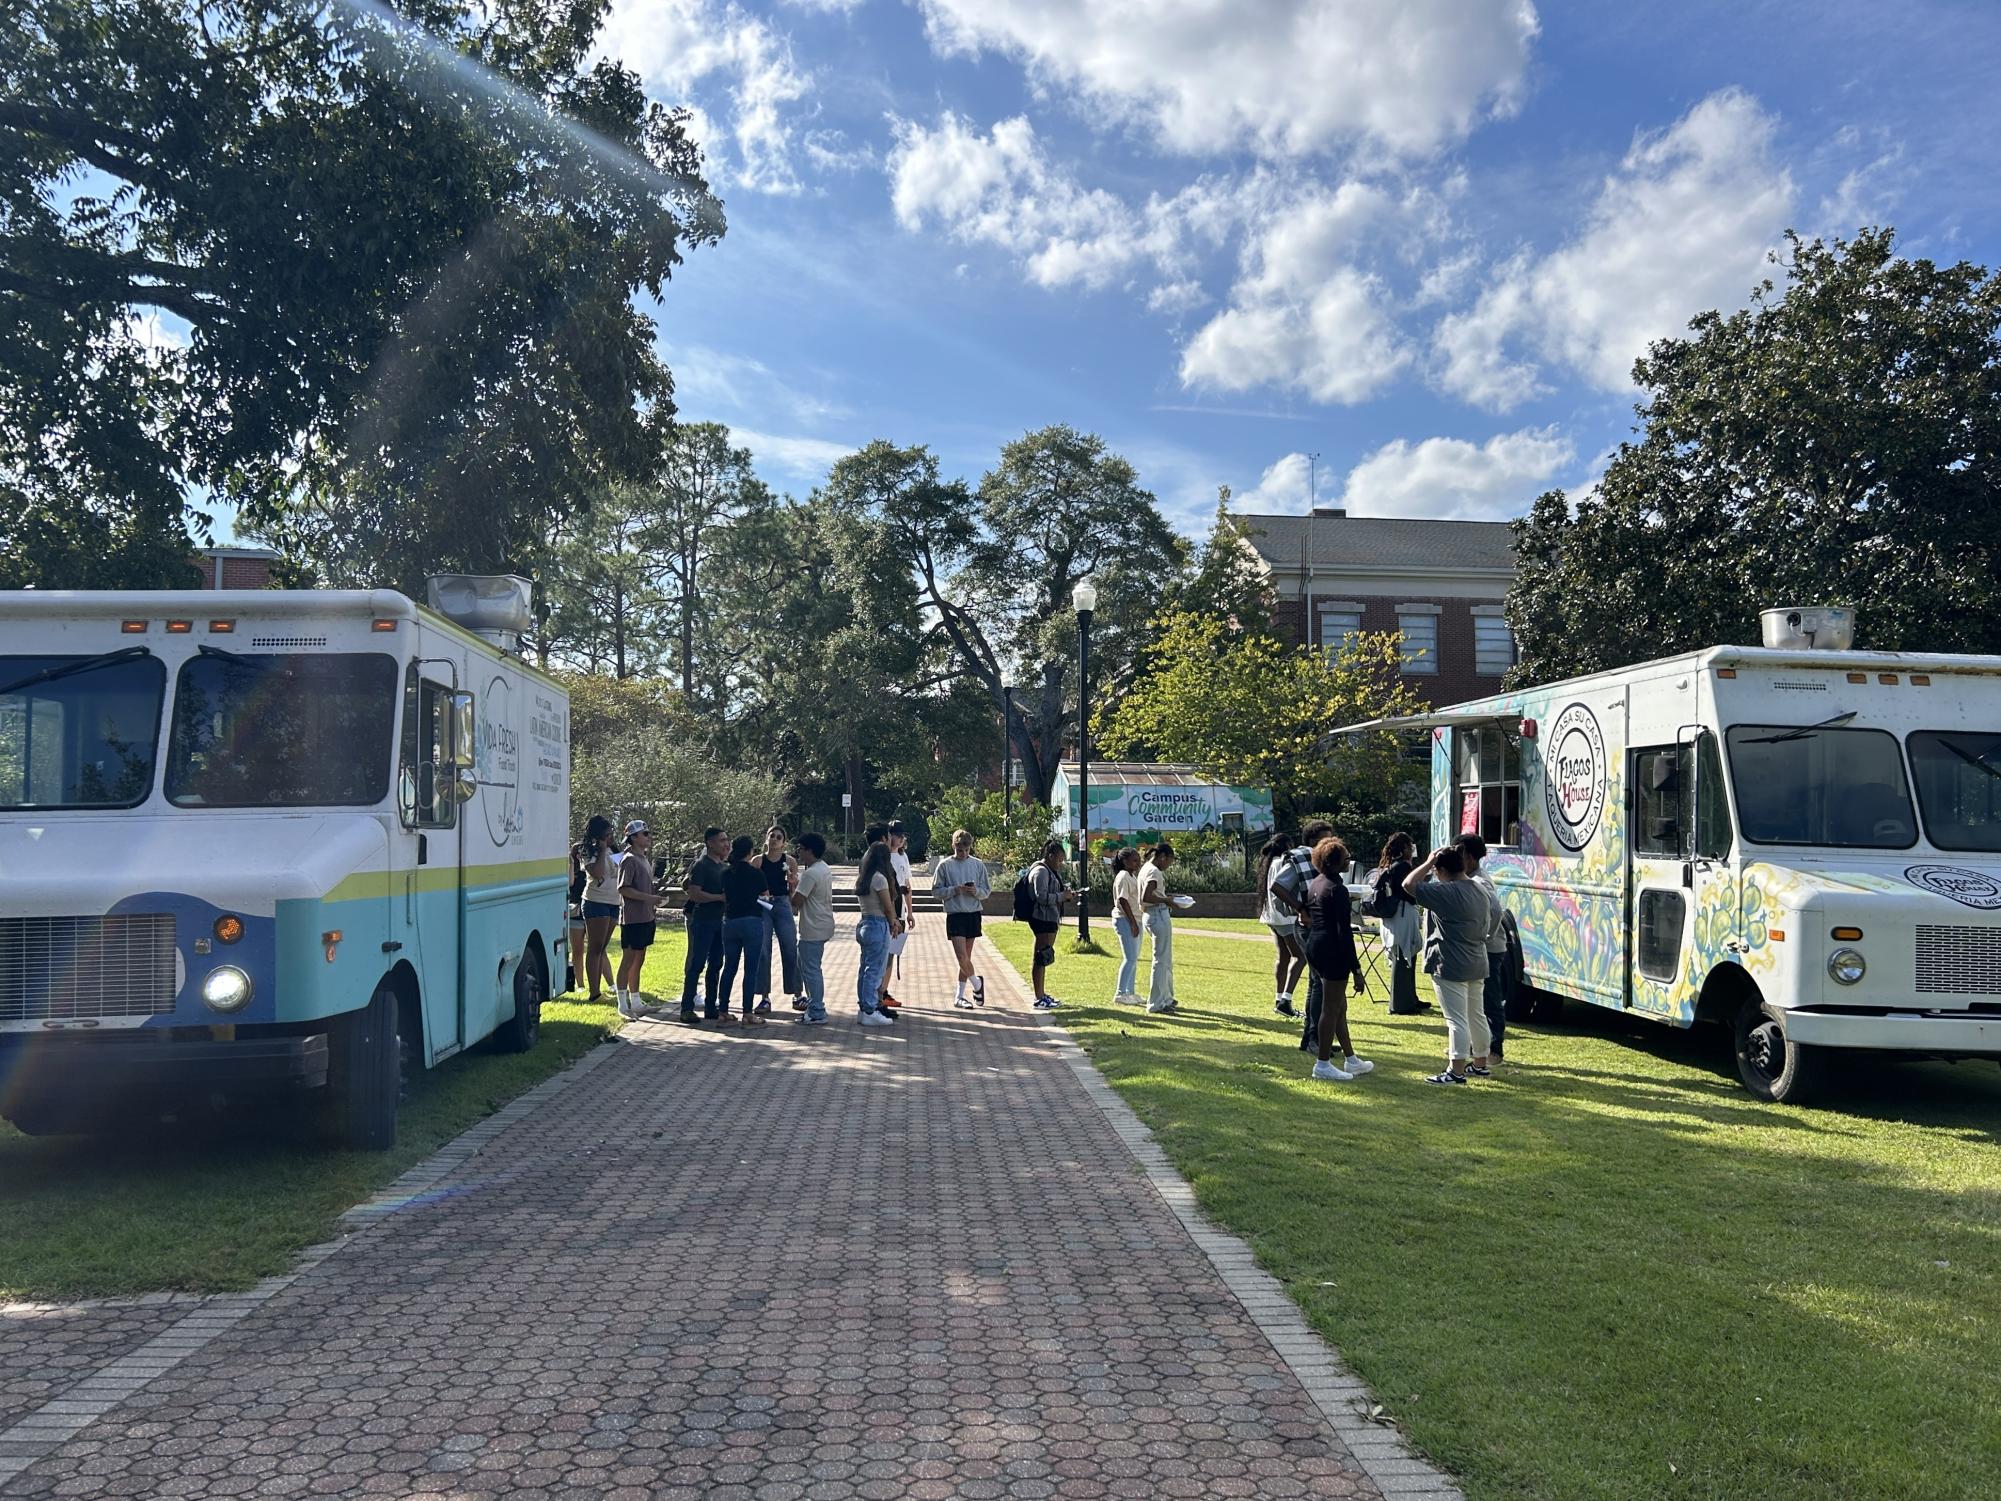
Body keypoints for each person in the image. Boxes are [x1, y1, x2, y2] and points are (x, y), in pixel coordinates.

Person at [1402, 846, 1494, 1084]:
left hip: (1451, 962)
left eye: (1435, 870)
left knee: (1456, 1020)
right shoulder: (1479, 887)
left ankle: (1456, 1070)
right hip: (1477, 959)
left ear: (1441, 870)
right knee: (1476, 1015)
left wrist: (1426, 861)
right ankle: (1481, 1063)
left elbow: (1408, 884)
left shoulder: (1447, 892)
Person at [1301, 836, 1372, 1082]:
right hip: (1332, 949)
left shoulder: (1316, 883)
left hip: (1315, 946)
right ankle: (1322, 1064)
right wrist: (1357, 969)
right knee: (1331, 1008)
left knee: (1339, 1005)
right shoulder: (1337, 890)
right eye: (1346, 857)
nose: (1349, 860)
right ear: (1334, 862)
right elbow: (1344, 932)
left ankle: (1351, 1059)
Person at [1455, 832, 1510, 1061]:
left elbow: (1497, 911)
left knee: (1489, 999)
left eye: (1458, 853)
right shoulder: (1467, 878)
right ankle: (1474, 1046)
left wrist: (1487, 935)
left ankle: (1494, 1049)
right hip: (1480, 948)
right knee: (1473, 1001)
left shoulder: (1479, 880)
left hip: (1490, 949)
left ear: (1468, 856)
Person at [1285, 820, 1334, 1050]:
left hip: (1318, 925)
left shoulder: (1322, 862)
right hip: (1308, 927)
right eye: (1327, 838)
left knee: (1317, 983)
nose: (1332, 842)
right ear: (1314, 841)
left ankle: (1312, 1037)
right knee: (1319, 983)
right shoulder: (1302, 858)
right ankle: (1314, 1037)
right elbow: (1277, 886)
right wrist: (1300, 908)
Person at [715, 834, 770, 1026]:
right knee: (750, 968)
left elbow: (724, 894)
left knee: (729, 967)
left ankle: (723, 1010)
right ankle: (747, 1012)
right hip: (752, 921)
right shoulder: (757, 873)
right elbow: (765, 896)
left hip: (730, 921)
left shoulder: (726, 873)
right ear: (750, 852)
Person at [934, 828, 991, 1009]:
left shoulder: (977, 865)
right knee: (960, 955)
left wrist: (976, 892)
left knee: (966, 957)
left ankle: (959, 995)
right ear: (953, 846)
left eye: (967, 850)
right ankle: (977, 984)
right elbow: (936, 891)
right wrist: (953, 890)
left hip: (973, 913)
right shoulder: (944, 865)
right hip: (955, 914)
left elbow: (986, 891)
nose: (963, 853)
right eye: (960, 850)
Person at [678, 827, 729, 1023]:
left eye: (727, 840)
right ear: (710, 843)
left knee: (716, 963)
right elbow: (694, 893)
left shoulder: (724, 867)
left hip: (720, 921)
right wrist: (719, 897)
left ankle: (710, 1006)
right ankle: (687, 1007)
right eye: (721, 840)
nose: (726, 844)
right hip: (703, 921)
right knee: (697, 963)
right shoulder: (702, 866)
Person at [854, 824, 902, 1027]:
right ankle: (870, 1009)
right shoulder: (880, 879)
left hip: (865, 922)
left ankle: (864, 1007)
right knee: (875, 970)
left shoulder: (865, 878)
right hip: (877, 924)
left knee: (865, 968)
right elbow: (888, 907)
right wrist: (894, 922)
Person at [614, 821, 664, 1012]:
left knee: (639, 958)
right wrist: (649, 897)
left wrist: (653, 900)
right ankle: (622, 1004)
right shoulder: (628, 859)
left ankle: (636, 1001)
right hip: (632, 918)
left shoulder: (642, 858)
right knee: (628, 958)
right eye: (645, 833)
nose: (648, 836)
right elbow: (623, 888)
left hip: (646, 916)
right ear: (633, 837)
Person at [1256, 833, 1307, 1018]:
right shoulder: (1283, 862)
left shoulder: (1268, 863)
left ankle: (1279, 999)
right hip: (1284, 918)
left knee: (1283, 956)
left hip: (1271, 917)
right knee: (1301, 956)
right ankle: (1286, 1000)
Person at [571, 814, 618, 1007]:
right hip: (595, 901)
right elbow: (596, 872)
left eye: (611, 834)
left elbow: (622, 868)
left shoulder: (614, 849)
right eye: (607, 835)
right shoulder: (587, 850)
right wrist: (601, 849)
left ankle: (600, 989)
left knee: (602, 947)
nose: (610, 838)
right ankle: (594, 992)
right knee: (595, 947)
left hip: (614, 901)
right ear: (598, 835)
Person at [1375, 832, 1424, 1016]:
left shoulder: (1391, 865)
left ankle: (1409, 998)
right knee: (1403, 956)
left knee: (1405, 956)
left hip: (1395, 916)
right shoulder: (1402, 866)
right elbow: (1409, 890)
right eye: (1409, 845)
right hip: (1402, 915)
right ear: (1404, 848)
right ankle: (1401, 1003)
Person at [756, 826, 801, 1016]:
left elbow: (794, 888)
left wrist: (793, 883)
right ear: (766, 839)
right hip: (763, 903)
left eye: (778, 837)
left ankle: (797, 994)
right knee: (763, 949)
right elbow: (750, 883)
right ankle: (764, 997)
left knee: (790, 946)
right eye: (771, 836)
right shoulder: (758, 861)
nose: (774, 839)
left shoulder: (789, 861)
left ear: (784, 842)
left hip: (782, 903)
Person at [791, 832, 835, 1025]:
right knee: (809, 967)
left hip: (812, 926)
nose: (798, 852)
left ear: (809, 850)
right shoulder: (823, 868)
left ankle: (817, 1009)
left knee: (811, 970)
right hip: (823, 922)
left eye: (801, 848)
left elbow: (797, 901)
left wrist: (792, 886)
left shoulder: (810, 873)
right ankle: (813, 1006)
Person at [1026, 839, 1069, 1009]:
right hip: (1042, 918)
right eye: (1059, 859)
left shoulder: (1050, 871)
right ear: (1050, 856)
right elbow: (1041, 896)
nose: (1061, 863)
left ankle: (1042, 994)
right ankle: (1039, 997)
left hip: (1049, 917)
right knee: (1041, 957)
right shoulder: (1041, 871)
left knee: (1044, 956)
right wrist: (1061, 897)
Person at [879, 821, 916, 1010]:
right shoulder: (883, 857)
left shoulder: (903, 857)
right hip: (887, 908)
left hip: (900, 908)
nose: (900, 838)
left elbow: (907, 886)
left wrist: (910, 912)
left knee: (893, 952)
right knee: (882, 951)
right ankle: (878, 991)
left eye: (902, 835)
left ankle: (884, 990)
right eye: (896, 834)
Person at [1139, 841, 1178, 1014]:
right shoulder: (1154, 871)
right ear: (1162, 857)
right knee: (1161, 961)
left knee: (1165, 959)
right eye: (1169, 861)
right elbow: (1146, 896)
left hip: (1152, 915)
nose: (1169, 865)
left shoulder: (1146, 868)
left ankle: (1166, 997)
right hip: (1157, 914)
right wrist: (1166, 900)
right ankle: (1156, 1002)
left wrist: (1163, 898)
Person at [1110, 847, 1145, 1005]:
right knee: (1129, 958)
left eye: (1139, 860)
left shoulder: (1131, 875)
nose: (1138, 863)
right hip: (1125, 920)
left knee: (1134, 958)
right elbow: (1122, 900)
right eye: (1134, 860)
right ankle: (1120, 993)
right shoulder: (1123, 876)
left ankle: (1130, 992)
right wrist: (1132, 922)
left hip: (1136, 919)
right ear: (1125, 861)